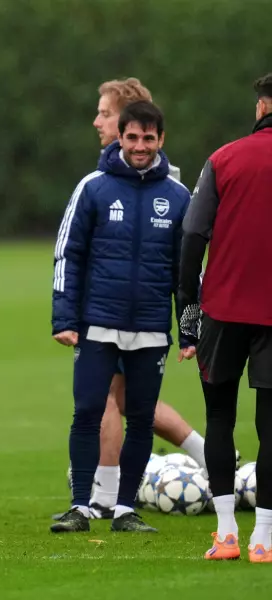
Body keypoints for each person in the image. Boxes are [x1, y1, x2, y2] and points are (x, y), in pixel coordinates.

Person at [52, 78, 207, 522]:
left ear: (161, 140)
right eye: (133, 137)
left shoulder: (177, 197)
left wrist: (190, 331)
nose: (140, 146)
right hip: (99, 321)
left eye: (148, 138)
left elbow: (187, 272)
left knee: (138, 416)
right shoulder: (93, 187)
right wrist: (64, 318)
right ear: (122, 136)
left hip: (150, 328)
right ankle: (82, 505)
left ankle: (122, 508)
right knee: (89, 410)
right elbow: (68, 254)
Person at [179, 73, 272, 562]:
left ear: (261, 108)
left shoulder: (224, 158)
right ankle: (265, 540)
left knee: (219, 417)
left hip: (223, 310)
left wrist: (186, 310)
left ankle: (226, 534)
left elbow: (193, 235)